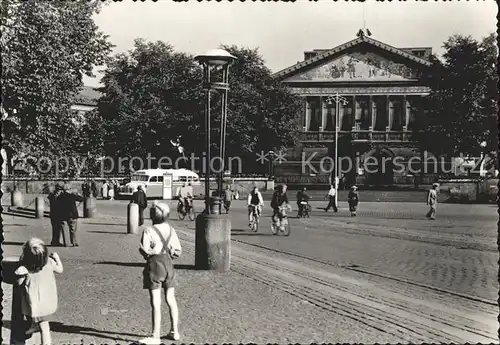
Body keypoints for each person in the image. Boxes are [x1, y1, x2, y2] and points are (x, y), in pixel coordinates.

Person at [139, 203, 181, 344]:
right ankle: (174, 331)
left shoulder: (148, 230)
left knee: (156, 301)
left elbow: (145, 250)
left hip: (155, 265)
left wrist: (148, 252)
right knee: (171, 298)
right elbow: (177, 251)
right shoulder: (171, 229)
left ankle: (155, 335)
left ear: (152, 215)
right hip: (169, 265)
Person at [15, 238, 64, 345]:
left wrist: (19, 272)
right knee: (43, 323)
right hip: (47, 301)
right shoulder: (49, 263)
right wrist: (57, 258)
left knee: (44, 327)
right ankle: (34, 326)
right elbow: (60, 270)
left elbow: (19, 283)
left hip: (34, 303)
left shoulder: (24, 268)